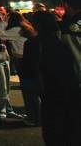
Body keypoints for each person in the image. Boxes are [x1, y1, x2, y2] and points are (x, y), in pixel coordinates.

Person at [24, 10, 80, 145]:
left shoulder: (33, 44)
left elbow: (26, 72)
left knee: (54, 134)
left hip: (50, 94)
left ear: (36, 25)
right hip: (73, 90)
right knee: (73, 132)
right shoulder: (65, 38)